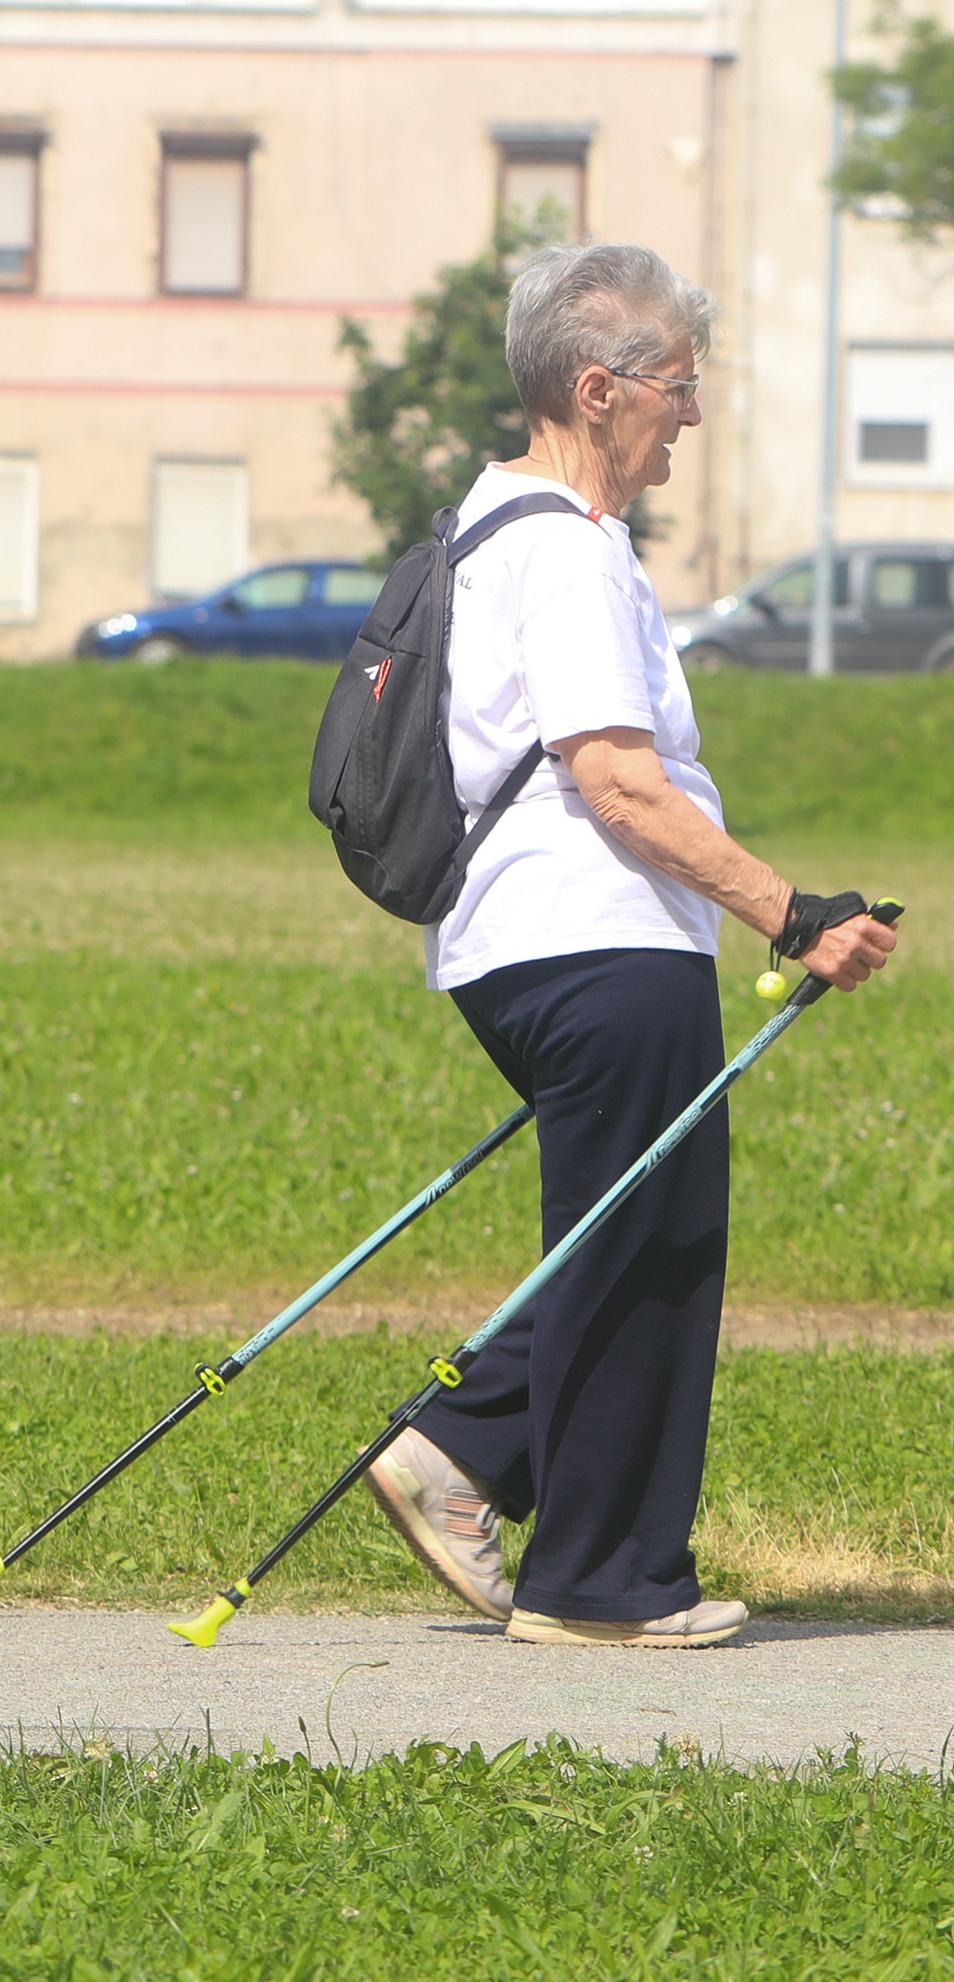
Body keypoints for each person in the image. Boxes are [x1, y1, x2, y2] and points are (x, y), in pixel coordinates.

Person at [363, 240, 897, 1652]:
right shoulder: (568, 551)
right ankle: (601, 1579)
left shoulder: (490, 529)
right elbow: (618, 778)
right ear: (598, 391)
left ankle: (460, 1453)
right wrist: (790, 909)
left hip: (530, 946)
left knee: (630, 1228)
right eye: (676, 386)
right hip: (597, 943)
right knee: (649, 1250)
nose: (693, 415)